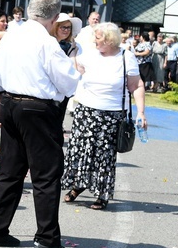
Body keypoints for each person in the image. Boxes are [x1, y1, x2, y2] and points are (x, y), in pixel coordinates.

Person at [0, 0, 80, 248]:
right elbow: (69, 83)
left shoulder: (12, 36)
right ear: (55, 18)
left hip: (11, 104)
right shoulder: (46, 43)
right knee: (46, 176)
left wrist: (1, 107)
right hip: (38, 109)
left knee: (11, 171)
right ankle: (47, 240)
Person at [62, 23, 147, 211]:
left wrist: (141, 112)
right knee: (81, 150)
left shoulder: (126, 57)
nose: (94, 41)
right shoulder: (90, 54)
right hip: (86, 111)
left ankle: (102, 193)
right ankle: (79, 184)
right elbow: (75, 70)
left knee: (104, 155)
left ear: (109, 39)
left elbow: (137, 86)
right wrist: (73, 52)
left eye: (98, 38)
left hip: (111, 114)